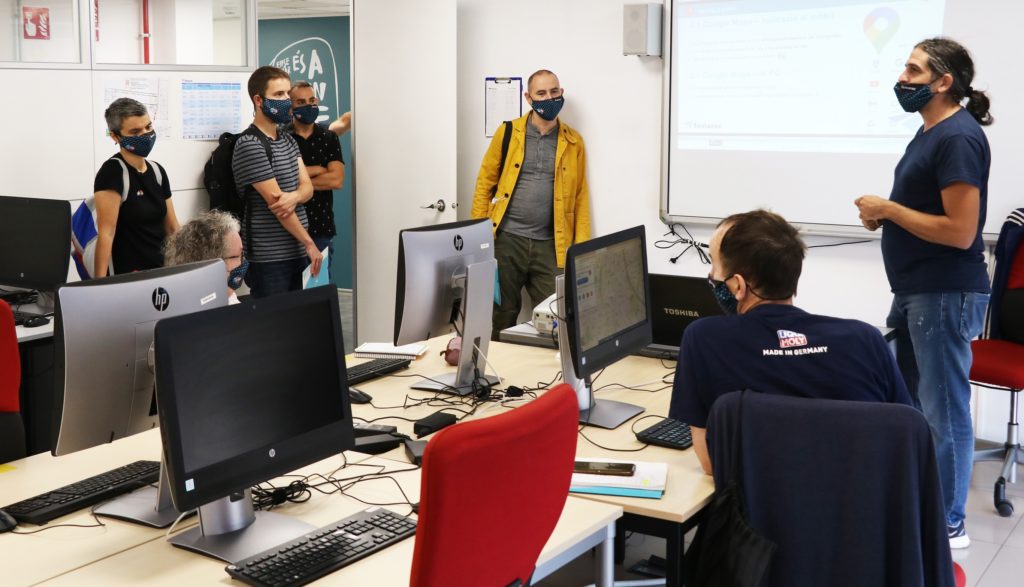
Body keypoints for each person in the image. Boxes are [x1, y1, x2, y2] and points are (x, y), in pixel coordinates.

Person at [854, 37, 993, 549]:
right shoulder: (930, 132)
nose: (903, 77)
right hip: (919, 291)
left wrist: (888, 210)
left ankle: (949, 523)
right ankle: (923, 507)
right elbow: (929, 216)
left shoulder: (956, 137)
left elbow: (960, 231)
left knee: (944, 410)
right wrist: (885, 216)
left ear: (943, 82)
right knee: (914, 404)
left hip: (943, 294)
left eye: (913, 70)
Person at [669, 210, 912, 476]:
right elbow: (906, 440)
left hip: (757, 515)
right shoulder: (866, 340)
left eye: (714, 267)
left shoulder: (704, 339)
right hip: (861, 512)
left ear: (738, 286)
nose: (712, 276)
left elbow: (712, 463)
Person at [471, 69, 591, 333]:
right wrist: (479, 237)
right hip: (506, 241)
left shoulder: (574, 142)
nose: (549, 98)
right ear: (528, 97)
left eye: (554, 92)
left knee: (556, 318)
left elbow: (580, 199)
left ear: (562, 93)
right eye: (541, 93)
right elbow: (484, 184)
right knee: (500, 316)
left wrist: (581, 250)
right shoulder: (508, 133)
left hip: (551, 246)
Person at [232, 66, 322, 298]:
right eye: (278, 95)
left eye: (286, 94)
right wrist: (310, 243)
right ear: (259, 100)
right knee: (274, 327)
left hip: (297, 251)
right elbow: (279, 208)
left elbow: (308, 188)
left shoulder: (288, 140)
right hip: (269, 257)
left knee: (300, 322)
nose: (286, 100)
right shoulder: (250, 144)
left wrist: (293, 196)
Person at [93, 97, 180, 277]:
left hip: (161, 270)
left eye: (148, 127)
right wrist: (98, 286)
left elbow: (172, 228)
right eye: (135, 131)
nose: (145, 135)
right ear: (115, 136)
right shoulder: (112, 173)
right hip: (127, 275)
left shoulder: (157, 171)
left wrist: (185, 268)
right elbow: (106, 235)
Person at [287, 81, 346, 270]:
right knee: (289, 295)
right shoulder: (281, 137)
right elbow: (280, 180)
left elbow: (336, 180)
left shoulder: (328, 137)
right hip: (287, 231)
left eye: (312, 100)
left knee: (317, 290)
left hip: (321, 228)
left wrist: (300, 179)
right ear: (291, 107)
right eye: (301, 102)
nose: (308, 106)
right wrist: (319, 170)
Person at [163, 210, 248, 304]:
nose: (243, 261)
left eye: (243, 254)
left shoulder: (229, 297)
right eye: (237, 256)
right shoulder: (187, 307)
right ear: (212, 261)